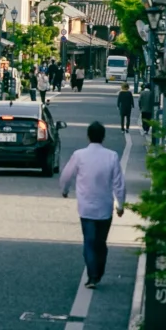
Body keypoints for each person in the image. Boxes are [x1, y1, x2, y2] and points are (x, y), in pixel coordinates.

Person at [58, 120, 127, 287]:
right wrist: (120, 205)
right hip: (105, 207)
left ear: (88, 136)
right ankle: (98, 273)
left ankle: (92, 275)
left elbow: (66, 175)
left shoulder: (79, 155)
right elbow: (119, 183)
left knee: (89, 241)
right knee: (101, 242)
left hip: (86, 207)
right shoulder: (112, 156)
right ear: (103, 137)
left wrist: (65, 190)